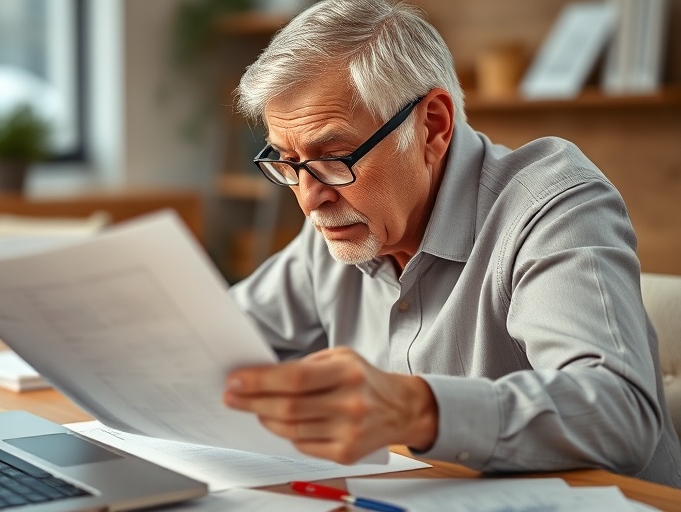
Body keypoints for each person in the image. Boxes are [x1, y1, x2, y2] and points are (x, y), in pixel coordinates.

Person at [221, 0, 681, 488]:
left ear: (432, 126)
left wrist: (414, 409)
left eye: (334, 156)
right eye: (287, 162)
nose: (310, 198)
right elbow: (218, 339)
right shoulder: (340, 220)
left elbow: (619, 415)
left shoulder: (552, 207)